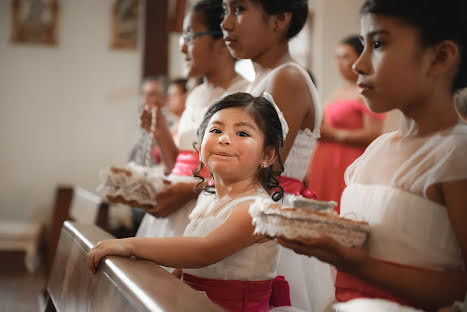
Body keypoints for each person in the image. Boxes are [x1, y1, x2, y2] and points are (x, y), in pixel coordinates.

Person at [278, 0, 467, 310]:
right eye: (363, 45)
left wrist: (357, 264)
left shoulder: (457, 153)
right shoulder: (377, 149)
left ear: (440, 57)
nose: (358, 65)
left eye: (378, 44)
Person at [88, 92, 291, 311]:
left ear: (268, 156)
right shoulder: (208, 198)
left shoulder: (257, 208)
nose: (224, 138)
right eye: (215, 130)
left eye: (242, 133)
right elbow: (186, 266)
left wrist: (128, 244)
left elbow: (204, 251)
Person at [221, 1, 333, 310]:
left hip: (270, 222)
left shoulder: (287, 79)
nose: (226, 23)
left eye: (239, 9)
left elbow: (259, 169)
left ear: (279, 20)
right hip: (250, 213)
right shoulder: (260, 80)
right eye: (225, 9)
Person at [136, 0, 248, 241]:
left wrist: (190, 190)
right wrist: (162, 133)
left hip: (210, 213)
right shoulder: (196, 95)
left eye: (189, 36)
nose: (182, 47)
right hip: (176, 210)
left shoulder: (244, 96)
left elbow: (243, 175)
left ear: (220, 42)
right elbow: (177, 166)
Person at [306, 35, 386, 213]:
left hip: (347, 161)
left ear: (360, 58)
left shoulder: (368, 90)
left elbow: (374, 133)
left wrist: (334, 134)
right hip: (325, 161)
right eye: (337, 57)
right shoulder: (338, 92)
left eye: (345, 56)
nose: (340, 62)